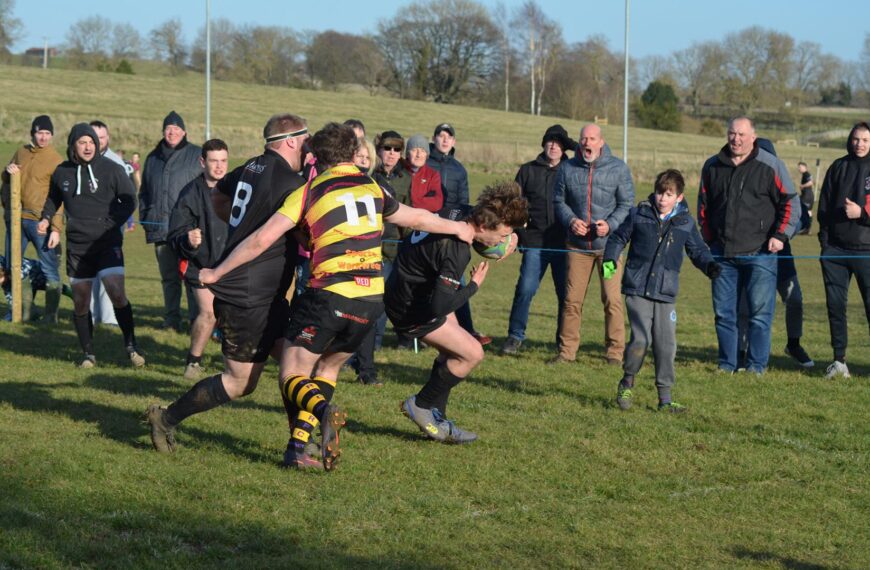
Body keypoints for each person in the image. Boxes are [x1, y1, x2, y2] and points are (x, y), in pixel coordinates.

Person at [198, 123, 474, 471]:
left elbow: (259, 240)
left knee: (292, 372)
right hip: (372, 301)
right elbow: (416, 217)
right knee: (327, 368)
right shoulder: (373, 186)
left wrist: (216, 272)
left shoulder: (309, 191)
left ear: (317, 156)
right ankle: (297, 448)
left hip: (329, 296)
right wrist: (459, 227)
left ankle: (324, 411)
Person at [145, 114, 311, 465]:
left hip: (268, 294)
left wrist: (241, 225)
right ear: (292, 140)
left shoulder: (251, 167)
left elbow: (219, 198)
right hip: (246, 295)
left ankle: (297, 446)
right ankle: (165, 418)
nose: (309, 147)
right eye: (306, 140)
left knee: (294, 367)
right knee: (240, 383)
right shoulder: (289, 180)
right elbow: (291, 234)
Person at [390, 181, 527, 442]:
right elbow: (440, 307)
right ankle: (420, 405)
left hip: (406, 288)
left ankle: (435, 419)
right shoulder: (456, 252)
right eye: (501, 236)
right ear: (484, 227)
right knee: (472, 353)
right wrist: (473, 286)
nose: (502, 241)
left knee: (451, 349)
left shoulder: (462, 211)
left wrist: (513, 234)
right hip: (410, 306)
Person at [604, 169, 720, 413]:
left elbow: (698, 250)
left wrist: (709, 266)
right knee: (641, 340)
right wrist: (611, 259)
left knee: (666, 345)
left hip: (666, 292)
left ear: (678, 197)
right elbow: (617, 239)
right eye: (659, 192)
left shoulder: (685, 222)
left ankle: (665, 399)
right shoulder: (638, 214)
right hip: (637, 288)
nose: (662, 198)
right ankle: (627, 381)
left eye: (668, 194)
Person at [697, 117, 796, 374]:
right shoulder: (712, 166)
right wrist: (708, 238)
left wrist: (780, 236)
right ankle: (727, 363)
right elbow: (703, 206)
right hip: (722, 254)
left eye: (741, 134)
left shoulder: (771, 165)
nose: (736, 139)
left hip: (761, 252)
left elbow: (790, 203)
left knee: (760, 316)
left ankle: (756, 366)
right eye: (732, 133)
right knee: (723, 314)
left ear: (753, 137)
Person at [39, 123, 143, 367]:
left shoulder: (112, 169)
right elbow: (53, 199)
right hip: (78, 245)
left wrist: (111, 222)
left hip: (107, 242)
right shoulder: (62, 172)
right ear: (73, 145)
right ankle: (88, 354)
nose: (87, 147)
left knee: (116, 292)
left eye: (91, 142)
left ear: (97, 145)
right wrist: (46, 218)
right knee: (81, 300)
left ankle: (131, 345)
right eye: (82, 142)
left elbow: (129, 200)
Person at [552, 123, 634, 365]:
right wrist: (570, 221)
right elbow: (558, 201)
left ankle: (615, 353)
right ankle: (567, 352)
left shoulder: (618, 168)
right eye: (583, 139)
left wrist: (610, 225)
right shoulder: (567, 168)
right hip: (577, 250)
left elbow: (627, 205)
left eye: (592, 138)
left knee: (612, 299)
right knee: (572, 301)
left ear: (601, 141)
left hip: (609, 249)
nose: (587, 143)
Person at [736, 139, 812, 369]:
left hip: (781, 255)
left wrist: (785, 233)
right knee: (745, 307)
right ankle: (742, 351)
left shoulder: (783, 186)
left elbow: (804, 219)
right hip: (750, 254)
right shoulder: (741, 186)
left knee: (795, 299)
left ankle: (793, 344)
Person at [501, 124, 574, 355]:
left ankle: (564, 341)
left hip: (564, 245)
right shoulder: (527, 170)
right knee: (525, 289)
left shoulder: (571, 171)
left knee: (566, 295)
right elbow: (514, 206)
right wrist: (520, 235)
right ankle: (514, 336)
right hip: (535, 242)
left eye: (558, 142)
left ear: (564, 148)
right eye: (550, 141)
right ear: (543, 144)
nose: (553, 145)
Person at [167, 139, 229, 380]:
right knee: (208, 313)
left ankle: (232, 366)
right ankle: (193, 363)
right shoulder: (190, 193)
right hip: (200, 265)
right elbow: (174, 235)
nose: (219, 166)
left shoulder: (236, 189)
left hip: (230, 265)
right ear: (202, 162)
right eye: (214, 161)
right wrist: (187, 239)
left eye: (223, 160)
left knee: (230, 316)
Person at [426, 122, 490, 345]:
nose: (444, 140)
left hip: (453, 231)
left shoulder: (459, 169)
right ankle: (417, 331)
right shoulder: (425, 163)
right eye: (441, 135)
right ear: (434, 138)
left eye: (449, 137)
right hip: (427, 227)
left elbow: (464, 203)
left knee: (456, 282)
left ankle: (467, 330)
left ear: (453, 142)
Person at [139, 110, 203, 331]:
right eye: (168, 128)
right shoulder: (153, 158)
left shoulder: (196, 155)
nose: (172, 132)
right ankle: (171, 320)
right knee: (169, 278)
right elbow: (144, 192)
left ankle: (196, 319)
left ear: (184, 131)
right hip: (160, 228)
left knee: (192, 277)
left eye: (176, 128)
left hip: (188, 229)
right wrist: (146, 217)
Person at [816, 121, 870, 379]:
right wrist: (825, 245)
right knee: (835, 307)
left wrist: (863, 213)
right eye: (856, 139)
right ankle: (839, 362)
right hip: (835, 252)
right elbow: (824, 207)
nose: (859, 144)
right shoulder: (838, 167)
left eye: (865, 140)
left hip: (866, 251)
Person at [1, 115, 63, 322]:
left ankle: (50, 316)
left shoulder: (56, 160)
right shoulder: (21, 152)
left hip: (40, 223)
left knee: (49, 268)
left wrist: (55, 227)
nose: (43, 137)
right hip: (17, 220)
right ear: (33, 133)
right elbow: (6, 179)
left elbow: (60, 198)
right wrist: (8, 171)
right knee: (11, 265)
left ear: (52, 136)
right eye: (40, 133)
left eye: (47, 133)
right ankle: (27, 310)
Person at [89, 120, 136, 327]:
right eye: (94, 137)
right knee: (87, 274)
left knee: (108, 273)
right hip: (85, 227)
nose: (98, 142)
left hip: (110, 228)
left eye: (102, 137)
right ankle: (89, 315)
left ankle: (108, 318)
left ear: (108, 138)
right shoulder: (81, 160)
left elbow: (127, 197)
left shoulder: (116, 163)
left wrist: (115, 221)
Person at [405, 134, 443, 212]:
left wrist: (408, 202)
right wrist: (423, 200)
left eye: (423, 151)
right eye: (414, 150)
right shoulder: (399, 171)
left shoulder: (432, 175)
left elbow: (437, 203)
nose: (418, 155)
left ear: (427, 155)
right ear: (408, 154)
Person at [798, 161, 814, 235]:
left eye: (800, 167)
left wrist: (803, 186)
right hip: (809, 195)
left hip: (807, 196)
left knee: (803, 210)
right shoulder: (805, 174)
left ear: (805, 167)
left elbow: (811, 182)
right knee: (809, 211)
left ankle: (805, 227)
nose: (799, 169)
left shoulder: (806, 174)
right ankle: (807, 228)